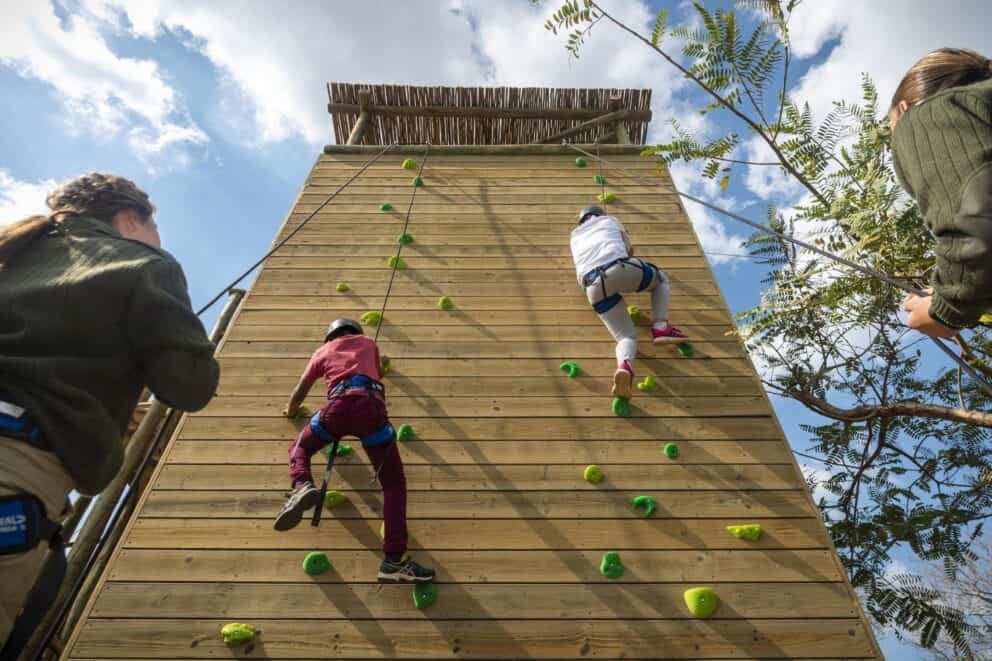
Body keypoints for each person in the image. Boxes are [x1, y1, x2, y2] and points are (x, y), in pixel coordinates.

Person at [0, 173, 219, 651]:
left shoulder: (11, 252)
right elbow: (189, 385)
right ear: (129, 220)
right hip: (15, 463)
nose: (159, 242)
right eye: (154, 231)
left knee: (49, 574)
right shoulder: (144, 264)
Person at [274, 318, 435, 584]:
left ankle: (301, 484)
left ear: (330, 337)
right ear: (355, 332)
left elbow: (301, 389)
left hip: (338, 408)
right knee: (393, 484)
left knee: (300, 447)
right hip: (371, 410)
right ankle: (394, 560)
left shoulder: (321, 352)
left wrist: (291, 411)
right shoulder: (368, 343)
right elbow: (378, 371)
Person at [888, 48, 992, 338]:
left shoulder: (922, 116)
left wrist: (947, 307)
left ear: (904, 109)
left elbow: (977, 222)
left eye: (892, 132)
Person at [569, 206, 689, 399]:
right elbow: (628, 249)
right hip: (618, 266)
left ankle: (625, 367)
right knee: (661, 280)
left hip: (593, 284)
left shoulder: (574, 237)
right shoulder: (609, 220)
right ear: (600, 215)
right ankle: (660, 327)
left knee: (626, 337)